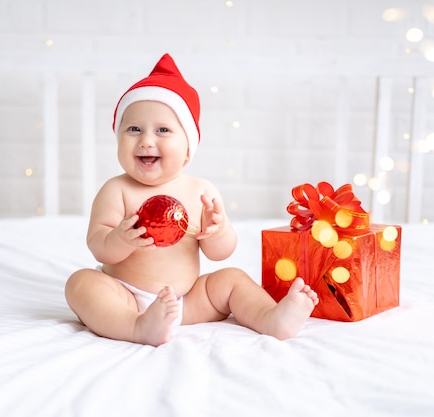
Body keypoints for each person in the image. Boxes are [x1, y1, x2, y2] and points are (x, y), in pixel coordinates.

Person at [65, 53, 318, 346]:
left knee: (232, 278)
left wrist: (218, 231)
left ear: (188, 149)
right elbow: (99, 247)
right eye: (133, 129)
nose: (146, 140)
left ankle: (271, 317)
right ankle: (137, 326)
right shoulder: (116, 190)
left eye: (163, 130)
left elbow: (220, 253)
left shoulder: (201, 190)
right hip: (126, 295)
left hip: (189, 299)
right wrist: (120, 238)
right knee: (81, 283)